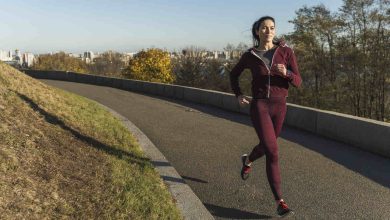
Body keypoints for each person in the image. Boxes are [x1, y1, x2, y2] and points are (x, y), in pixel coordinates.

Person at [229, 16, 302, 217]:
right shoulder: (250, 55)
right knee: (273, 151)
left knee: (266, 145)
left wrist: (286, 73)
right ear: (257, 32)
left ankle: (248, 160)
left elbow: (298, 81)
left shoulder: (287, 52)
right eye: (264, 28)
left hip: (280, 106)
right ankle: (280, 201)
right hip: (260, 105)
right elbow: (233, 74)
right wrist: (239, 94)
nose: (269, 31)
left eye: (272, 28)